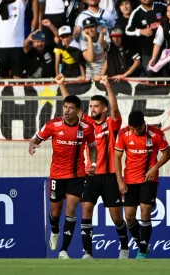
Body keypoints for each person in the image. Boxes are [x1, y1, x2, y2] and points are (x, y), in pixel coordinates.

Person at [56, 74, 130, 259]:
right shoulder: (87, 124)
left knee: (117, 218)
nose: (93, 109)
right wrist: (62, 85)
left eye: (96, 106)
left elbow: (115, 109)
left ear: (103, 108)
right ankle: (88, 253)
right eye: (91, 106)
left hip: (110, 176)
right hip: (89, 176)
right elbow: (72, 108)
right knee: (86, 210)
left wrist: (107, 86)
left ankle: (124, 247)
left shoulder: (112, 123)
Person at [28, 95, 97, 259]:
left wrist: (93, 163)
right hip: (57, 176)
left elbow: (93, 147)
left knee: (71, 210)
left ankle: (63, 250)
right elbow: (36, 139)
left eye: (71, 108)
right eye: (65, 107)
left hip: (77, 175)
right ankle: (54, 230)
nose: (67, 111)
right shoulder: (53, 125)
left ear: (78, 110)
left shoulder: (86, 127)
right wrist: (32, 145)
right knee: (55, 212)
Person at [114, 110, 170, 259]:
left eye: (138, 128)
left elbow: (167, 153)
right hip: (129, 180)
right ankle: (143, 245)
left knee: (145, 211)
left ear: (144, 123)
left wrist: (155, 168)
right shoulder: (123, 134)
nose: (136, 131)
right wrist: (120, 181)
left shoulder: (156, 134)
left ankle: (142, 250)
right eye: (133, 129)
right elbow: (117, 157)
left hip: (148, 178)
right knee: (129, 217)